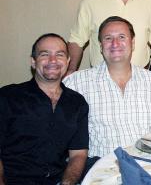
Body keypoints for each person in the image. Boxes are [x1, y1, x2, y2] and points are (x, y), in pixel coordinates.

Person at [64, 16, 151, 157]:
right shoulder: (76, 83)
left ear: (133, 43)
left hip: (147, 165)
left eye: (122, 37)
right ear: (100, 45)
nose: (115, 43)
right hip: (100, 168)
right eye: (108, 38)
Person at [0, 34, 88, 184]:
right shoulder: (7, 97)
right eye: (44, 54)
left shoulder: (77, 103)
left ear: (67, 61)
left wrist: (67, 183)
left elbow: (78, 154)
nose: (53, 60)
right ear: (33, 62)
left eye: (59, 54)